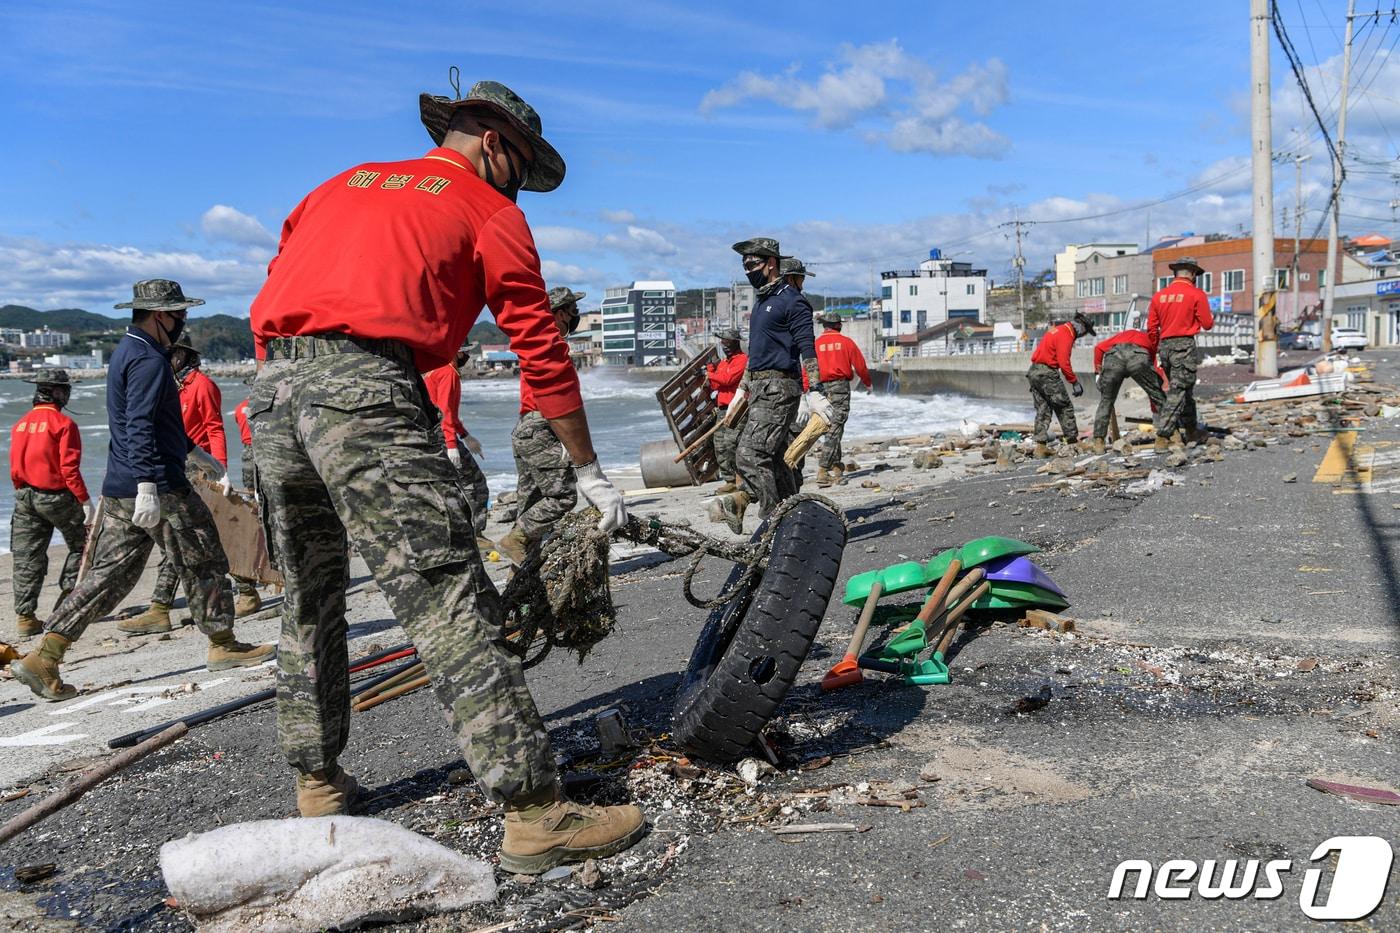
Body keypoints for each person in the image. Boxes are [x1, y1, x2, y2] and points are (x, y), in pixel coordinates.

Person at [247, 78, 641, 873]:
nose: (521, 188)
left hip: (272, 395)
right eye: (521, 169)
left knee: (309, 594)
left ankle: (318, 783)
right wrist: (588, 468)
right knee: (446, 599)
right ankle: (534, 812)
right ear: (495, 142)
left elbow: (277, 287)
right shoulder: (489, 212)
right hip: (368, 395)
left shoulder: (337, 185)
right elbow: (540, 344)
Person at [8, 279, 275, 702]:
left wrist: (197, 453)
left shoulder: (128, 352)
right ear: (158, 316)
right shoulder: (149, 359)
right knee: (205, 557)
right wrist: (150, 484)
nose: (183, 321)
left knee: (107, 575)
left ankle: (45, 656)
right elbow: (139, 425)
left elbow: (155, 422)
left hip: (121, 484)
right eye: (179, 314)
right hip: (157, 484)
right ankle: (223, 645)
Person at [124, 336, 261, 632]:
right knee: (177, 536)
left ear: (183, 355)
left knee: (211, 534)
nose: (166, 358)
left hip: (199, 466)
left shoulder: (202, 385)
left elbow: (214, 427)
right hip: (175, 466)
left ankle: (247, 592)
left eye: (171, 353)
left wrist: (220, 469)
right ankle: (160, 608)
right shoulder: (171, 385)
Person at [708, 238, 833, 533]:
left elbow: (807, 347)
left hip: (780, 388)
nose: (748, 271)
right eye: (745, 266)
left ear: (771, 264)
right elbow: (757, 354)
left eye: (752, 264)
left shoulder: (793, 300)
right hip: (760, 388)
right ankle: (796, 518)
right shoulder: (762, 301)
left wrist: (815, 391)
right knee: (775, 459)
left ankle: (774, 523)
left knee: (750, 454)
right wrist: (742, 387)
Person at [496, 286, 585, 565]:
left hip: (526, 428)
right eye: (572, 310)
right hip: (542, 425)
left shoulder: (537, 340)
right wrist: (569, 440)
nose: (576, 315)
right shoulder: (550, 345)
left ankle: (523, 568)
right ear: (559, 313)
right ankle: (516, 540)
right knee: (562, 497)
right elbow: (554, 397)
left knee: (531, 503)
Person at [8, 368, 93, 638]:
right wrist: (85, 501)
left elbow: (14, 468)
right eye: (65, 389)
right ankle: (66, 604)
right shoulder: (64, 424)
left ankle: (25, 617)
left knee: (26, 557)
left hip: (24, 496)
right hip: (56, 496)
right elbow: (69, 469)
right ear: (56, 392)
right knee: (83, 546)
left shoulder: (20, 424)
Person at [424, 344, 492, 551]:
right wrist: (452, 445)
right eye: (464, 350)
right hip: (442, 438)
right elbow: (444, 413)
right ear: (457, 350)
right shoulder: (448, 372)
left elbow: (448, 414)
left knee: (450, 488)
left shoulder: (436, 371)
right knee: (476, 485)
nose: (466, 355)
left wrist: (465, 435)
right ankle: (474, 535)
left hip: (434, 435)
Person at [1147, 256, 1215, 449]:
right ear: (1193, 274)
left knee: (1185, 391)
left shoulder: (1159, 296)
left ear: (1175, 273)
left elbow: (1152, 329)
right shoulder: (1196, 294)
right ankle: (1163, 435)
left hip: (1165, 347)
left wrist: (1157, 348)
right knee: (1178, 391)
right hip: (1184, 346)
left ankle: (1191, 430)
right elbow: (1207, 324)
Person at [810, 310, 871, 486]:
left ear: (824, 326)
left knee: (831, 427)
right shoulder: (846, 342)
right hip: (839, 388)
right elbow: (860, 365)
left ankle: (837, 468)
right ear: (838, 325)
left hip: (820, 389)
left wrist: (807, 389)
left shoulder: (816, 344)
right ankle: (823, 470)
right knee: (835, 429)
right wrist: (867, 383)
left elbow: (808, 367)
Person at [1027, 311, 1095, 458]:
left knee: (1043, 409)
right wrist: (1074, 382)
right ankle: (1072, 443)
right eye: (1086, 332)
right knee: (1064, 406)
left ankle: (1040, 447)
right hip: (1047, 373)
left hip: (1034, 372)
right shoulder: (1067, 334)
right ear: (1081, 327)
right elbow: (1064, 362)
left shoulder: (1057, 330)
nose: (1083, 335)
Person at [1089, 329, 1168, 454]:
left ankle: (1098, 442)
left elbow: (1098, 348)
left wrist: (1097, 373)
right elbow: (1154, 387)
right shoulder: (1149, 340)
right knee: (1158, 396)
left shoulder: (1119, 336)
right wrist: (1156, 404)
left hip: (1114, 357)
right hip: (1138, 356)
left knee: (1106, 401)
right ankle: (1167, 438)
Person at [706, 328, 746, 493]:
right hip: (722, 409)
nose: (724, 345)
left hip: (736, 408)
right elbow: (716, 384)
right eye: (723, 342)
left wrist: (711, 375)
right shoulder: (724, 363)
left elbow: (728, 380)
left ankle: (740, 477)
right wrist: (711, 370)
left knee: (731, 443)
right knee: (720, 445)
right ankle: (729, 480)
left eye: (727, 342)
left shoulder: (742, 360)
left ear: (735, 343)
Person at [234, 395, 254, 490]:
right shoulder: (263, 404)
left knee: (249, 485)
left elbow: (238, 422)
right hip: (264, 446)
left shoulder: (239, 407)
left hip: (247, 449)